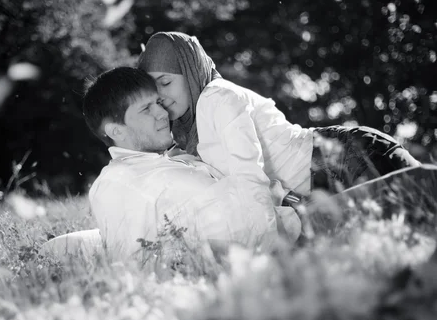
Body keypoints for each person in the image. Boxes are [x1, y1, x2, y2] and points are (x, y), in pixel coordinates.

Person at [137, 31, 437, 209]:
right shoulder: (192, 125)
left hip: (345, 156)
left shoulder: (215, 97)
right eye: (153, 88)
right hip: (328, 173)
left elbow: (250, 186)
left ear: (190, 71)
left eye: (166, 82)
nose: (161, 95)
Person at [82, 67, 301, 262]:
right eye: (146, 109)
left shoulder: (170, 161)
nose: (162, 113)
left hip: (289, 217)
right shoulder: (117, 184)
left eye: (158, 103)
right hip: (273, 247)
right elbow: (133, 260)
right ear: (116, 131)